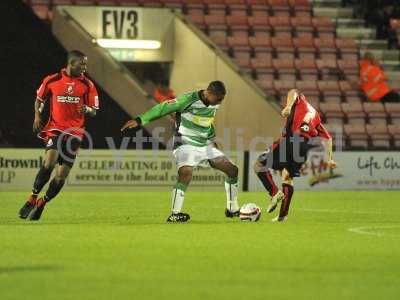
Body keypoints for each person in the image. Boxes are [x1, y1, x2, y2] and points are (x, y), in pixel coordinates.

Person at [121, 81, 240, 223]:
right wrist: (140, 120)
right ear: (209, 93)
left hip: (205, 145)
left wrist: (211, 138)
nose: (220, 102)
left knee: (232, 170)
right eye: (219, 98)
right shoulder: (188, 100)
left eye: (222, 99)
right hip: (185, 143)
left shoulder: (214, 103)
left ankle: (232, 208)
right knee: (185, 173)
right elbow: (162, 108)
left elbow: (207, 121)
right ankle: (175, 214)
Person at [18, 50, 99, 221]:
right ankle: (32, 198)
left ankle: (42, 202)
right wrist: (37, 116)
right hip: (56, 128)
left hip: (75, 133)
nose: (85, 67)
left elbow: (94, 110)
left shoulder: (88, 85)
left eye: (85, 64)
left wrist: (88, 109)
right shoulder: (52, 80)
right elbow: (40, 99)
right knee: (49, 162)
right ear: (71, 64)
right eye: (82, 64)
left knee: (61, 177)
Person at [254, 89, 337, 222]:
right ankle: (282, 216)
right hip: (304, 148)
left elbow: (293, 92)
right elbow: (328, 138)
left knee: (259, 164)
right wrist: (330, 158)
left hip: (292, 140)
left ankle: (275, 193)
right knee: (287, 177)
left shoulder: (300, 100)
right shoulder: (315, 115)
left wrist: (288, 106)